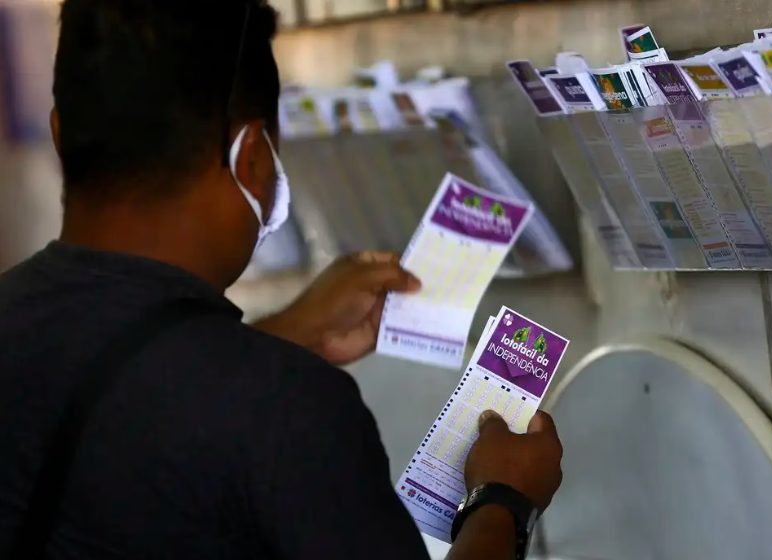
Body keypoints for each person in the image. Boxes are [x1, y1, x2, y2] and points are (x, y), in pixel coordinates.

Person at [0, 1, 563, 559]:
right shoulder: (288, 412)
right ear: (252, 158)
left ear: (59, 134)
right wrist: (502, 501)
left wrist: (289, 332)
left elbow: (120, 404)